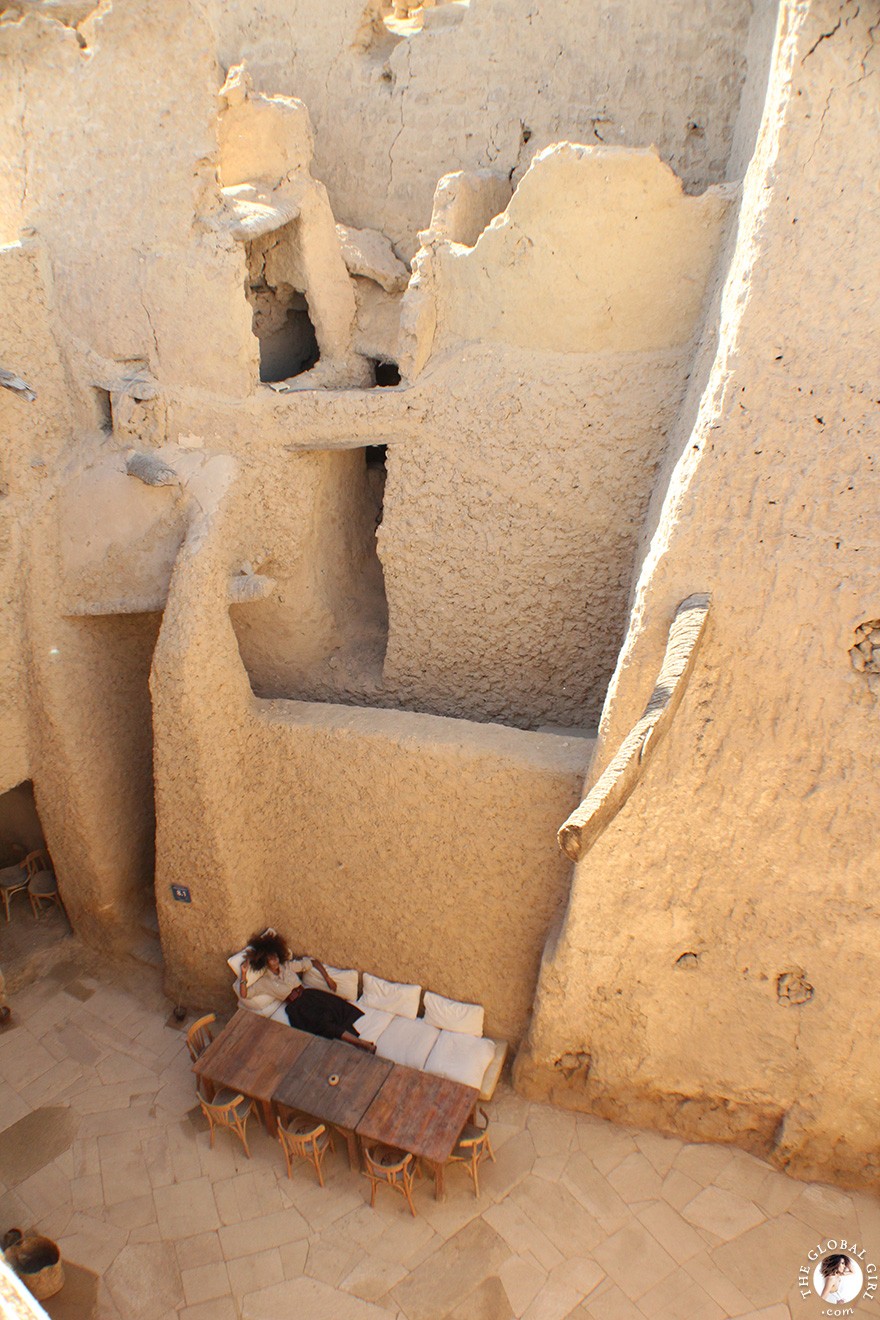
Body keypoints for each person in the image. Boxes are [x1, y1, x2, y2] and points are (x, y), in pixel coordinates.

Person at [239, 929, 375, 1052]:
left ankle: (356, 1043)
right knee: (324, 1025)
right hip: (297, 1008)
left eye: (275, 956)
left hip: (309, 996)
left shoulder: (287, 966)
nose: (274, 960)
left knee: (335, 1012)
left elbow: (313, 962)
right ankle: (361, 1043)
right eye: (270, 959)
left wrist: (327, 978)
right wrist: (244, 974)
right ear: (264, 962)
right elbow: (244, 994)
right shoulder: (265, 982)